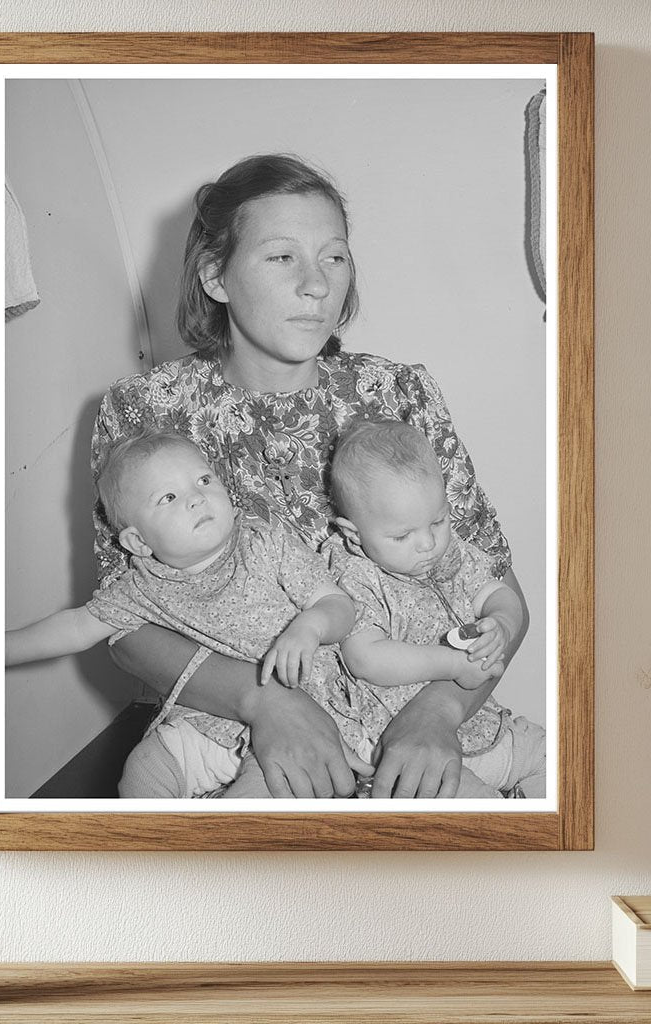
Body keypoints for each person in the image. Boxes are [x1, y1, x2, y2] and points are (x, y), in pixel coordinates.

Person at [92, 152, 530, 799]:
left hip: (416, 721)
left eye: (335, 257)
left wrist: (437, 714)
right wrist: (263, 703)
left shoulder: (398, 393)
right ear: (215, 275)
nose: (317, 286)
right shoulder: (142, 412)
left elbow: (496, 587)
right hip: (229, 741)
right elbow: (121, 625)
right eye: (282, 257)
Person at [6, 431, 359, 798]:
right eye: (169, 497)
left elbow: (339, 605)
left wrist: (311, 626)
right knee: (144, 768)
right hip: (205, 719)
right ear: (139, 542)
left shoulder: (264, 543)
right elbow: (76, 627)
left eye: (204, 480)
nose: (196, 498)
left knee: (264, 791)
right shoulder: (142, 586)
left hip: (297, 715)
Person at [328, 419, 546, 798]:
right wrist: (454, 665)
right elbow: (365, 657)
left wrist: (502, 622)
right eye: (402, 535)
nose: (428, 543)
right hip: (402, 749)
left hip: (480, 726)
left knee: (564, 758)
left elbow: (497, 592)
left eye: (438, 521)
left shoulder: (450, 555)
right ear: (353, 535)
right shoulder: (353, 574)